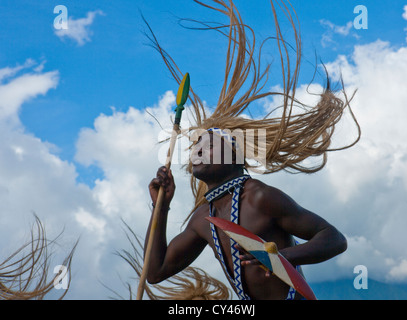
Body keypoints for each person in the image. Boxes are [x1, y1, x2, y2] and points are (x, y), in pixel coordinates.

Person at [141, 0, 360, 300]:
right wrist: (161, 208)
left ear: (235, 155)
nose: (197, 149)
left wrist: (281, 258)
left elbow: (334, 238)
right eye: (195, 145)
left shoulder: (258, 196)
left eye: (209, 142)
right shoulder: (203, 217)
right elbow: (155, 273)